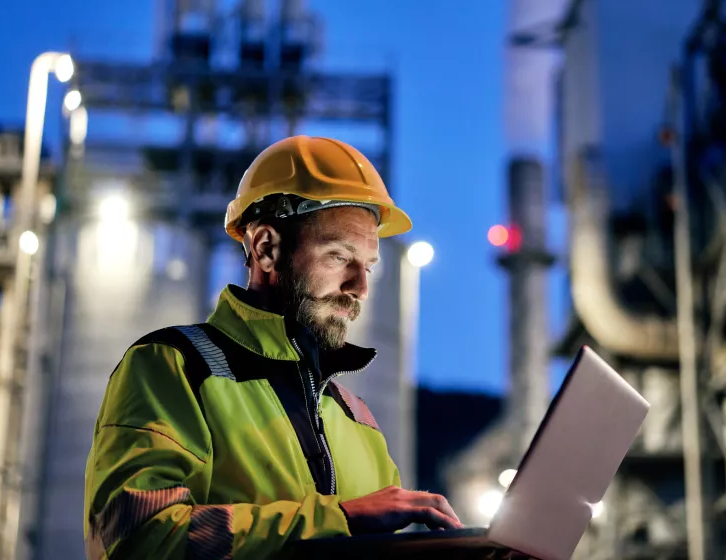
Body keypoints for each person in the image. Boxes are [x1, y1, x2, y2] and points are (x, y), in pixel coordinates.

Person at [84, 136, 462, 559]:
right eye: (339, 257)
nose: (361, 288)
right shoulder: (175, 368)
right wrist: (340, 519)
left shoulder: (356, 419)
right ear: (266, 248)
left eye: (368, 266)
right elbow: (137, 538)